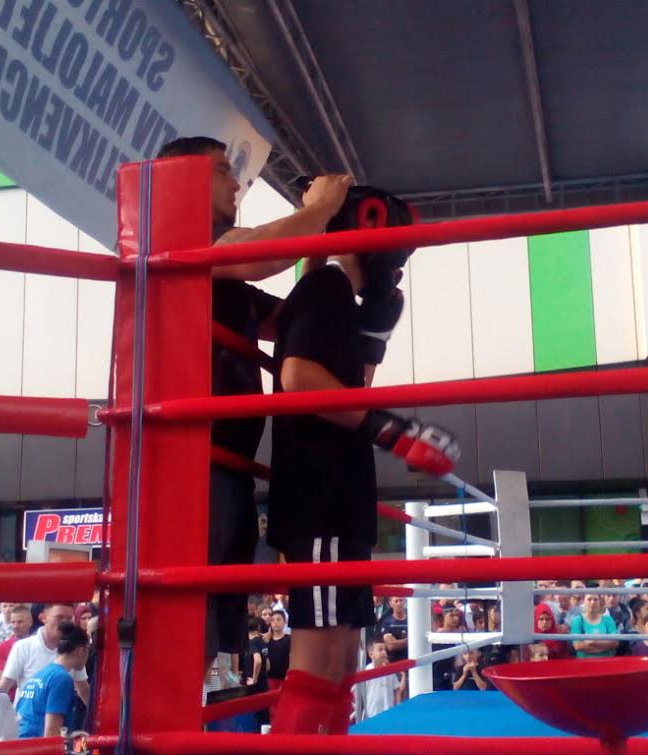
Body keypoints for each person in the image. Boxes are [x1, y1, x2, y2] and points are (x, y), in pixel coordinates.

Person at [156, 137, 354, 683]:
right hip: (190, 460)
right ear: (184, 179)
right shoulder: (183, 242)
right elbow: (259, 255)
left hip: (227, 460)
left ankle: (181, 720)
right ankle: (159, 724)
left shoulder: (227, 272)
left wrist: (323, 251)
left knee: (209, 623)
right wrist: (320, 210)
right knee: (185, 623)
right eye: (222, 170)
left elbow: (296, 320)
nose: (236, 182)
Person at [265, 187, 455, 735]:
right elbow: (297, 377)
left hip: (340, 500)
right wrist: (391, 431)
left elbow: (351, 386)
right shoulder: (325, 285)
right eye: (398, 247)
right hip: (319, 498)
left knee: (343, 664)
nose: (399, 264)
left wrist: (373, 336)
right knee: (319, 663)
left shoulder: (341, 300)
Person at [0, 605, 89, 705]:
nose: (64, 622)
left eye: (69, 618)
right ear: (43, 618)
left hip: (61, 712)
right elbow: (4, 687)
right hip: (26, 714)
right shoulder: (22, 647)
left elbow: (83, 689)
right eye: (59, 617)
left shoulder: (74, 649)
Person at [15, 624, 91, 738]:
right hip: (35, 743)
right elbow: (51, 734)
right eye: (88, 650)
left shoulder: (40, 675)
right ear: (81, 651)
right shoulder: (62, 679)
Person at [353, 640, 401, 723]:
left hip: (390, 712)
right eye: (380, 650)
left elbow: (397, 689)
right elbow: (357, 693)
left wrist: (398, 707)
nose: (384, 652)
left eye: (385, 650)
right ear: (371, 654)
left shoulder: (390, 670)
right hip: (372, 713)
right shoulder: (366, 671)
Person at [0, 605, 33, 690]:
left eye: (20, 622)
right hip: (10, 697)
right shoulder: (1, 648)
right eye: (13, 622)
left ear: (30, 622)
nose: (15, 626)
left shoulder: (37, 646)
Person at [569, 595, 618, 659]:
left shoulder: (608, 619)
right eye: (589, 599)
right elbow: (577, 646)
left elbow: (615, 642)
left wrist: (592, 642)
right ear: (583, 601)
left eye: (595, 600)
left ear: (599, 602)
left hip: (606, 661)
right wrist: (606, 646)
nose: (592, 602)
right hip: (584, 662)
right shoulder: (577, 620)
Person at [377, 598, 409, 664]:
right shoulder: (387, 622)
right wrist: (410, 640)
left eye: (401, 600)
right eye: (396, 601)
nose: (399, 603)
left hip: (410, 661)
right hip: (393, 663)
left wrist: (397, 642)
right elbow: (390, 646)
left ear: (405, 601)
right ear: (390, 603)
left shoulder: (411, 619)